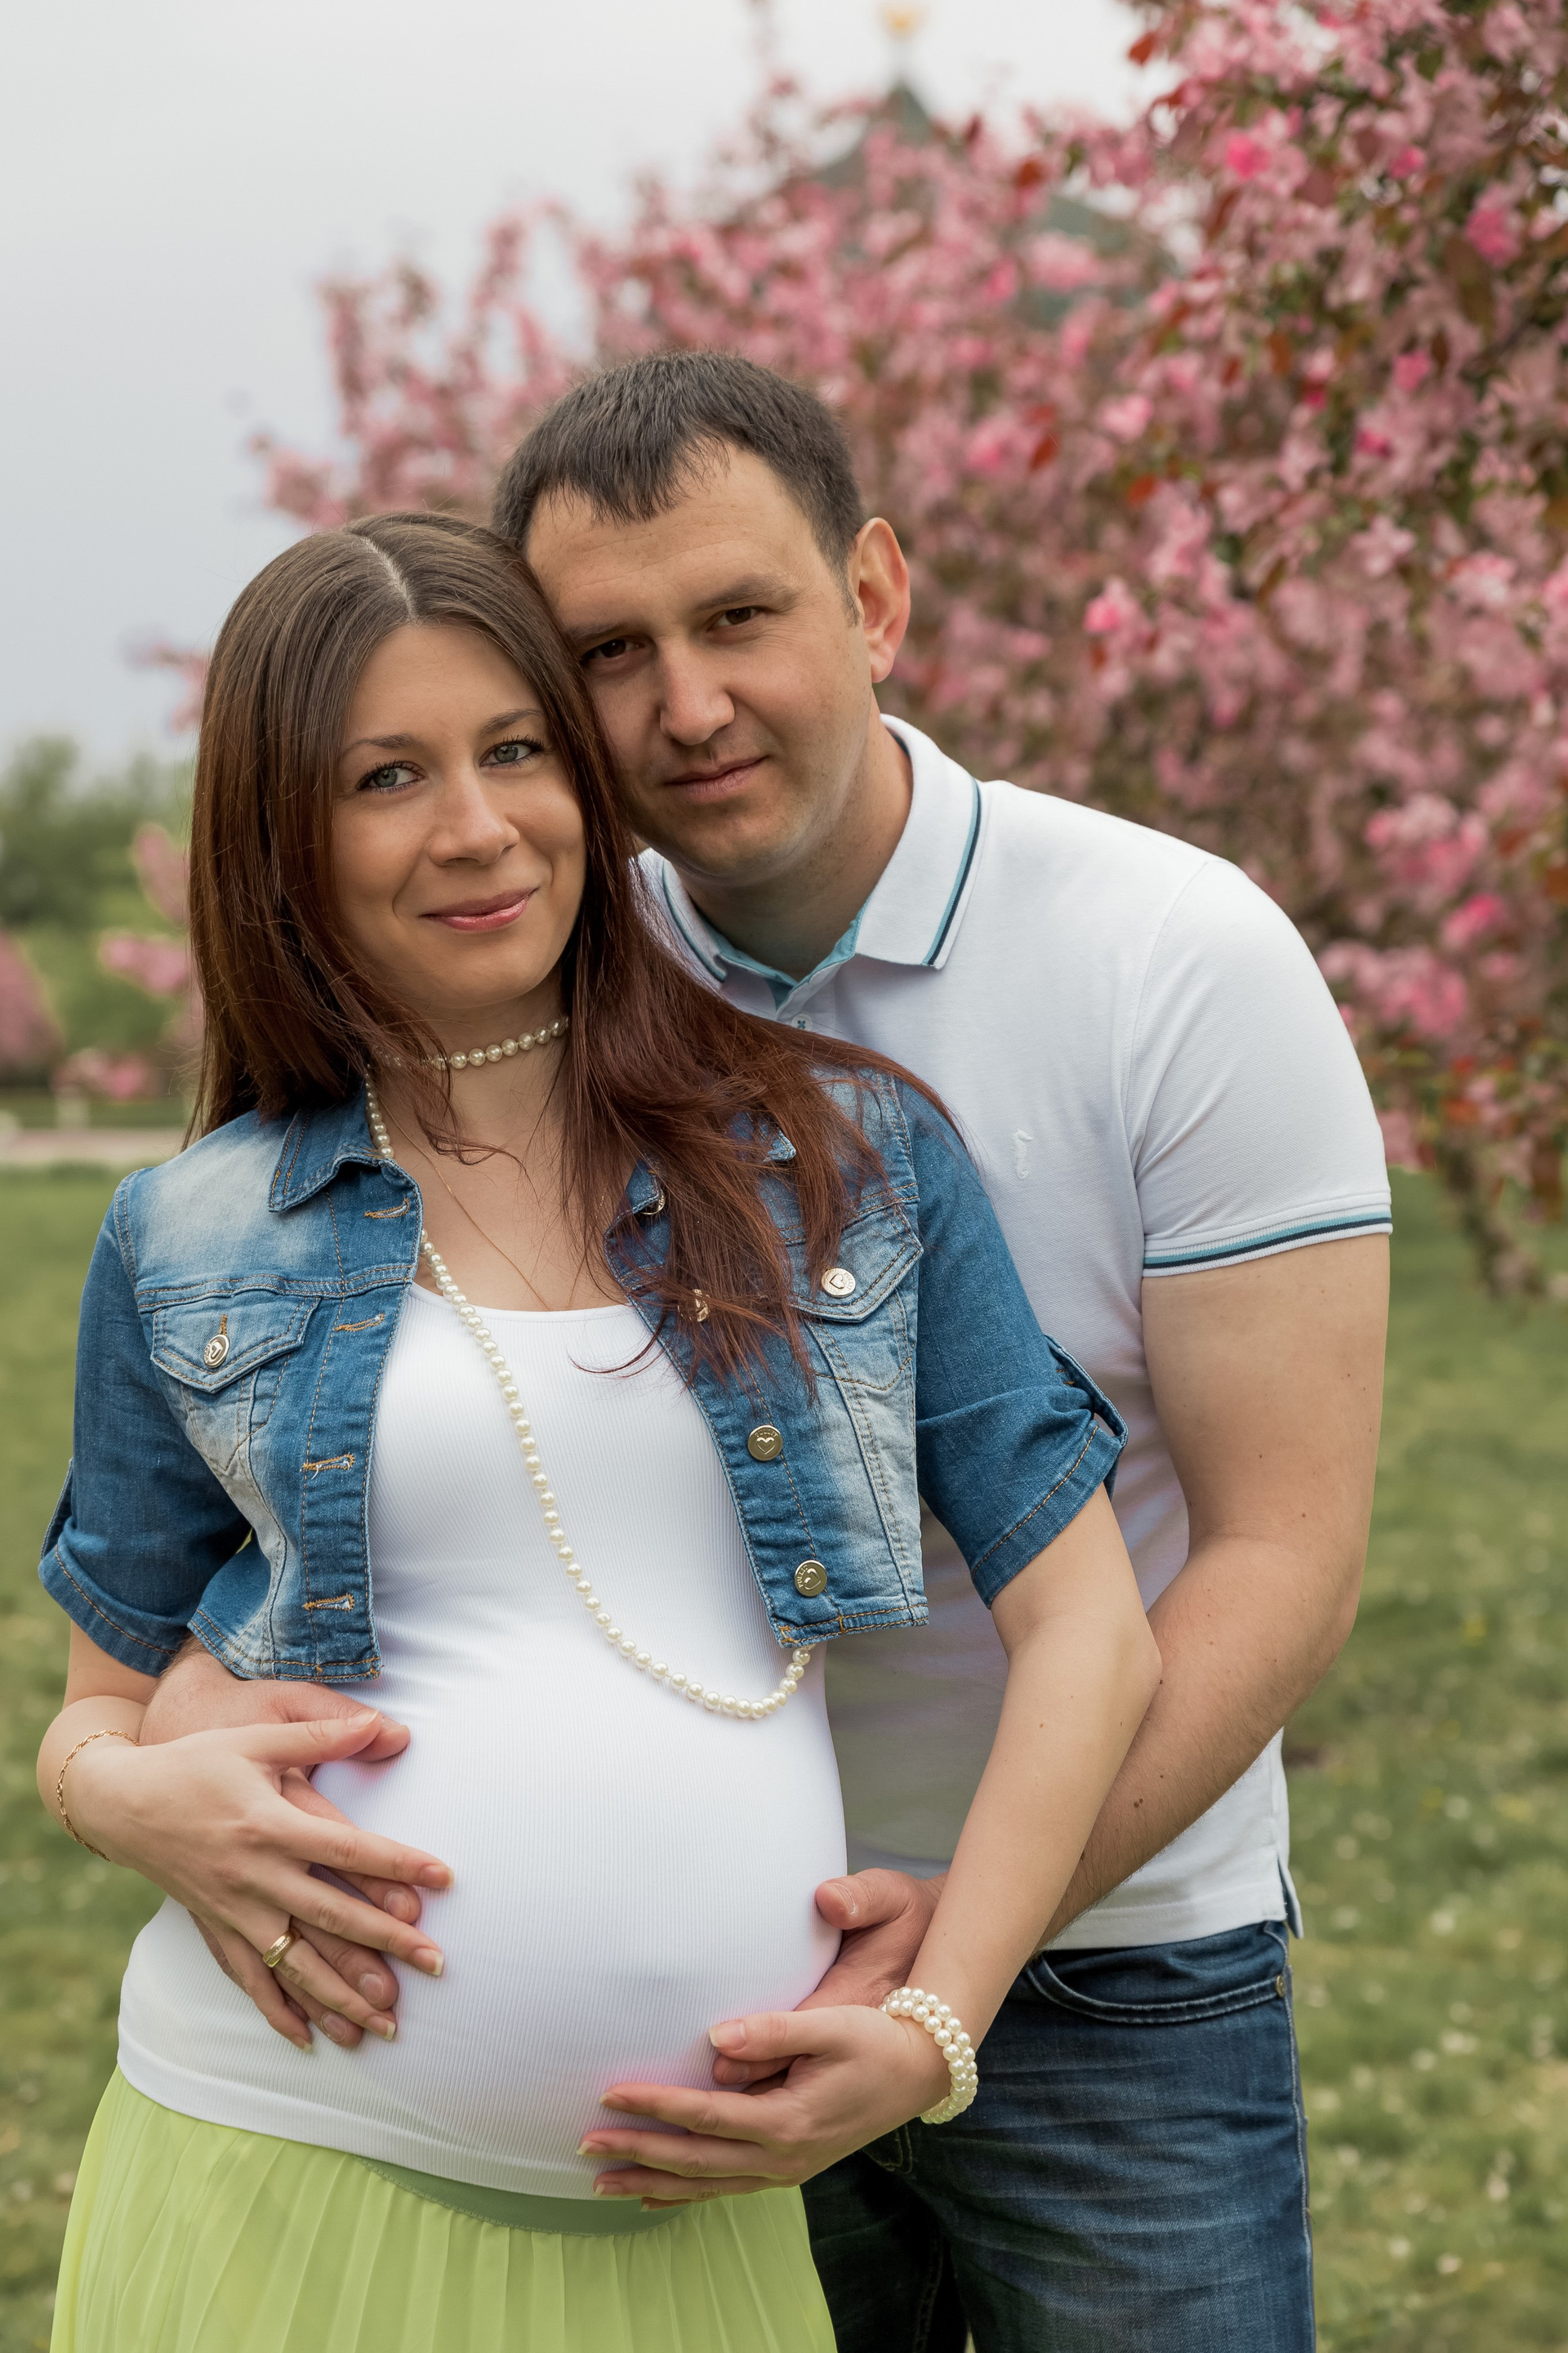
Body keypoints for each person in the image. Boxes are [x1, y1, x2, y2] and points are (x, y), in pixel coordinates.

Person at [35, 510, 1159, 2353]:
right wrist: (122, 1795)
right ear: (279, 840)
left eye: (515, 749)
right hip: (266, 2172)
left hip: (688, 2251)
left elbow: (1089, 1626)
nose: (478, 826)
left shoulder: (840, 1162)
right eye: (386, 776)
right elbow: (96, 1703)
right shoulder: (190, 1230)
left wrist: (936, 2022)